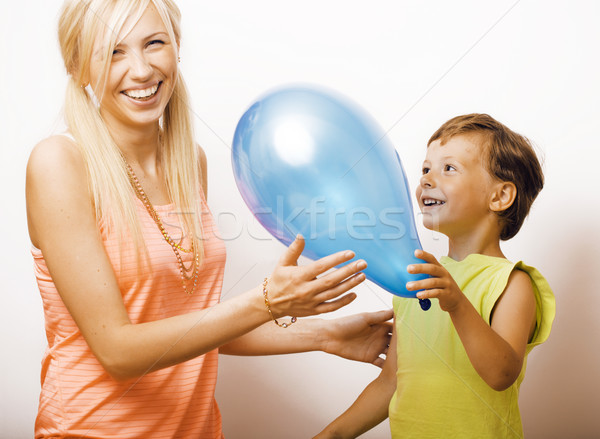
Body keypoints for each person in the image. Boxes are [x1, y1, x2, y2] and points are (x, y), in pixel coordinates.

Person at [25, 0, 394, 437]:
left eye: (154, 43)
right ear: (77, 66)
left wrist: (322, 334)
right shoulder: (59, 163)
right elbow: (117, 350)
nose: (141, 70)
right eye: (114, 52)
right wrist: (267, 301)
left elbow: (190, 328)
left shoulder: (188, 161)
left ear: (176, 47)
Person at [315, 114, 556, 438]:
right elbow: (391, 382)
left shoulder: (512, 282)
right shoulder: (416, 279)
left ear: (499, 196)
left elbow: (501, 374)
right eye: (425, 169)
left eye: (448, 168)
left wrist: (457, 304)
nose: (427, 180)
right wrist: (332, 434)